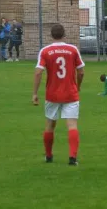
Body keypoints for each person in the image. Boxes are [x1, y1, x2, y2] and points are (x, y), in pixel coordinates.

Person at [33, 24, 85, 166]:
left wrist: (35, 94)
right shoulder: (73, 50)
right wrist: (78, 86)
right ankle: (72, 158)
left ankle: (49, 156)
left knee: (50, 125)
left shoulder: (45, 51)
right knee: (72, 125)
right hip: (70, 93)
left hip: (52, 94)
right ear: (64, 34)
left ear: (51, 35)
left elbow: (38, 72)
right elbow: (81, 72)